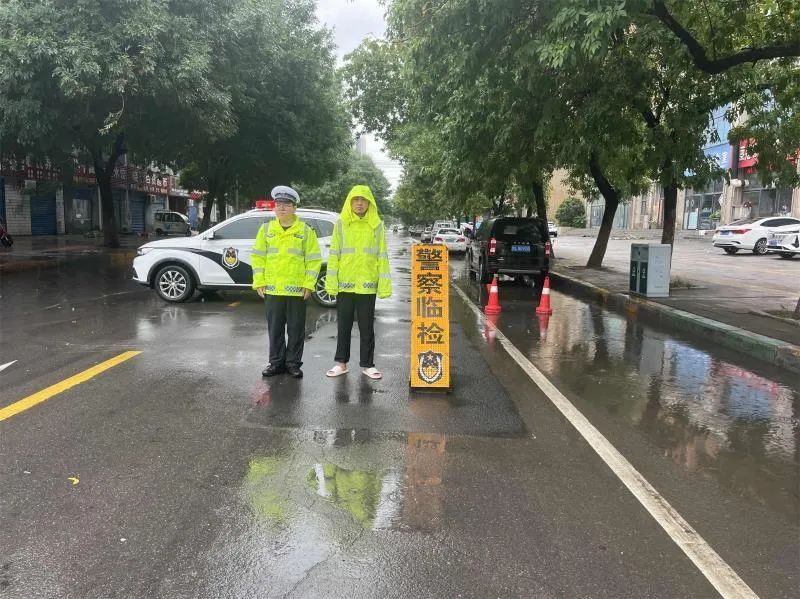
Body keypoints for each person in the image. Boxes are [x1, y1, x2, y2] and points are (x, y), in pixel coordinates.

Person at [251, 186, 322, 378]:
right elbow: (258, 257)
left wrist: (309, 284)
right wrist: (259, 281)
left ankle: (293, 364)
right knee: (275, 329)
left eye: (286, 205)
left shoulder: (306, 231)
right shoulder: (266, 229)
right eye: (278, 204)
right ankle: (275, 363)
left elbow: (314, 260)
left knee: (296, 329)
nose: (281, 208)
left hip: (297, 290)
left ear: (294, 208)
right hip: (273, 289)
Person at [325, 185, 392, 380]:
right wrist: (331, 282)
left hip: (367, 285)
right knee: (343, 326)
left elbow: (382, 256)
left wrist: (384, 286)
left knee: (367, 327)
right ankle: (341, 363)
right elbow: (334, 255)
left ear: (369, 203)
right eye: (356, 199)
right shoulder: (341, 224)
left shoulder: (377, 225)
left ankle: (367, 364)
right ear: (350, 202)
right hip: (345, 284)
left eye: (363, 200)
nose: (360, 203)